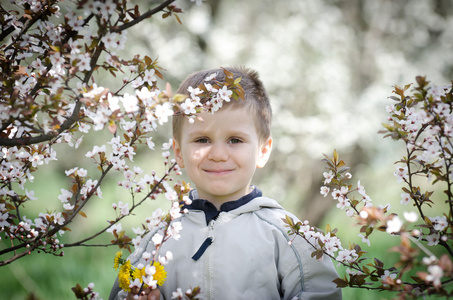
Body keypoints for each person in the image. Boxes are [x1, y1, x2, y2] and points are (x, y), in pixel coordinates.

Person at [109, 66, 342, 300]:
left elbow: (321, 293)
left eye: (235, 140)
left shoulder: (285, 235)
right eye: (202, 139)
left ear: (262, 150)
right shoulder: (161, 239)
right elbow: (123, 293)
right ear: (179, 152)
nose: (218, 154)